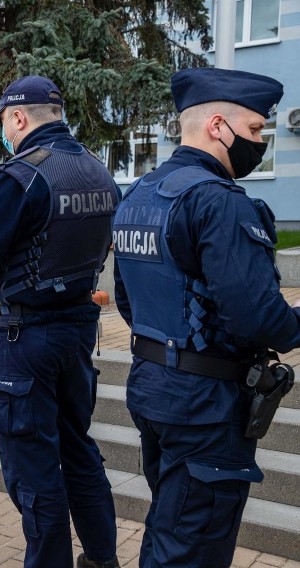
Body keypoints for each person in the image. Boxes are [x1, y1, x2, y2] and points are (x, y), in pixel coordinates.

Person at [113, 68, 300, 568]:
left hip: (153, 387)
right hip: (205, 406)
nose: (260, 141)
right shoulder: (218, 202)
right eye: (256, 130)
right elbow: (260, 321)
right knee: (191, 548)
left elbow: (128, 302)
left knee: (170, 526)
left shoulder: (141, 194)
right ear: (219, 125)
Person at [0, 76, 121, 568]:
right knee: (79, 450)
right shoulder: (98, 172)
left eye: (3, 120)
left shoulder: (21, 175)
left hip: (26, 339)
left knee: (34, 471)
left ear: (18, 118)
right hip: (78, 333)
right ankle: (102, 558)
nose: (3, 130)